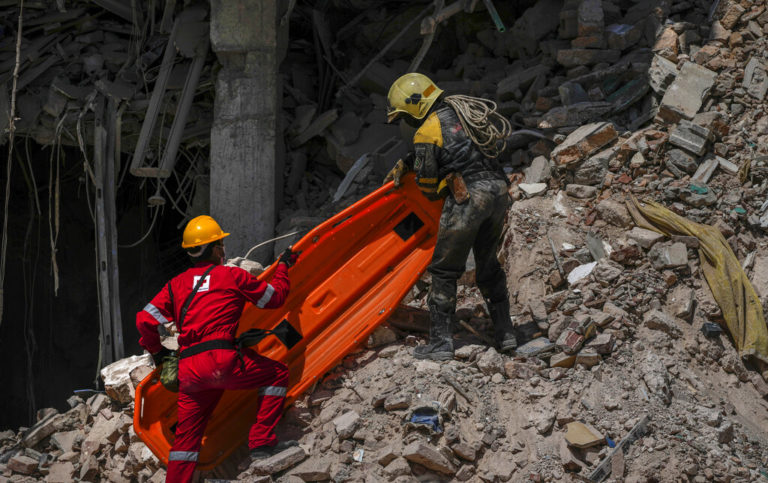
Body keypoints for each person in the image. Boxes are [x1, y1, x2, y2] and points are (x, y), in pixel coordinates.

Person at [136, 215, 299, 483]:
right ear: (214, 249)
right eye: (220, 244)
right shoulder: (232, 275)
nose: (223, 249)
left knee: (186, 443)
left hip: (190, 372)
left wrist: (158, 353)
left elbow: (144, 319)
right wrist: (283, 267)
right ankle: (261, 442)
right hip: (223, 361)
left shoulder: (176, 285)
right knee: (277, 373)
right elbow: (275, 298)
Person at [384, 73, 517, 361]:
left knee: (444, 271)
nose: (406, 123)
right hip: (497, 190)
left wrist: (419, 170)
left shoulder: (427, 132)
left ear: (415, 106)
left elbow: (429, 189)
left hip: (469, 196)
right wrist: (416, 160)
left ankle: (441, 343)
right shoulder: (463, 115)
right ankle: (506, 334)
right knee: (488, 264)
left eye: (405, 116)